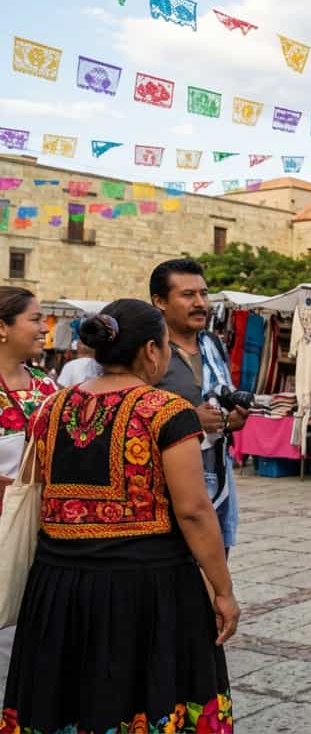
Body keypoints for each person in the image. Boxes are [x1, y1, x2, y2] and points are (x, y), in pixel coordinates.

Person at [2, 300, 237, 732]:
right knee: (149, 696)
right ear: (152, 350)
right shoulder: (167, 411)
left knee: (69, 698)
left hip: (59, 586)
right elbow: (194, 511)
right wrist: (223, 590)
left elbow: (34, 485)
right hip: (149, 589)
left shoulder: (51, 408)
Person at [150, 259, 247, 553]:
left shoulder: (213, 344)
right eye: (188, 295)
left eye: (203, 294)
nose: (200, 303)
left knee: (214, 563)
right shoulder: (148, 350)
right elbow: (130, 412)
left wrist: (231, 419)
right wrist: (190, 419)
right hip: (165, 489)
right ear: (160, 302)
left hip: (216, 477)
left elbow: (220, 400)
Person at [0, 287, 55, 509]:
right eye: (35, 320)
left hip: (35, 521)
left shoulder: (46, 386)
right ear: (2, 327)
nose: (45, 329)